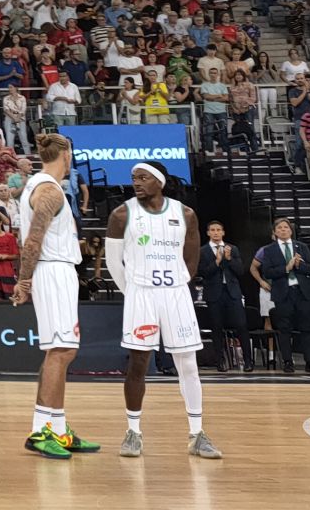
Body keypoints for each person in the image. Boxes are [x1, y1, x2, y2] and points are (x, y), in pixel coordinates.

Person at [106, 163, 220, 459]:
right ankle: (133, 432)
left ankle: (197, 434)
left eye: (143, 178)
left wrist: (179, 285)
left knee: (188, 363)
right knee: (138, 363)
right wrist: (131, 290)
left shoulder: (185, 214)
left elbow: (191, 260)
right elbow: (113, 263)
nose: (136, 183)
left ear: (160, 181)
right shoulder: (122, 214)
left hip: (175, 294)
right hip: (141, 294)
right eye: (133, 178)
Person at [13, 134, 99, 459]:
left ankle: (57, 429)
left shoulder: (41, 185)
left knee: (59, 351)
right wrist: (24, 281)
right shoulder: (49, 190)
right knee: (60, 351)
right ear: (66, 154)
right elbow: (33, 241)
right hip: (52, 272)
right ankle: (41, 431)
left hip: (56, 269)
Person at [250, 218, 310, 373]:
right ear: (274, 232)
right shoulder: (269, 250)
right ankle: (288, 362)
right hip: (283, 293)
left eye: (286, 227)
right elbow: (267, 272)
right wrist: (286, 268)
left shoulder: (302, 246)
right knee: (284, 329)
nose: (283, 230)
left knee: (307, 328)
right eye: (279, 228)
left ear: (291, 230)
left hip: (302, 293)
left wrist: (299, 265)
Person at [196, 222, 253, 372]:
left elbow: (240, 271)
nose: (216, 233)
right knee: (217, 327)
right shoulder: (202, 251)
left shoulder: (232, 249)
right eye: (213, 230)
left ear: (223, 232)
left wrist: (228, 259)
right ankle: (220, 361)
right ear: (208, 233)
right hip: (214, 294)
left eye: (218, 230)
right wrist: (217, 261)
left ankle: (248, 361)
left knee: (241, 325)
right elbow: (203, 272)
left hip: (232, 292)